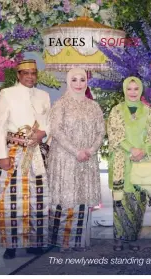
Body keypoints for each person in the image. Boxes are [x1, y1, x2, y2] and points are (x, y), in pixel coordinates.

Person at [0, 60, 51, 259]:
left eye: (33, 73)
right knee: (11, 199)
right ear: (18, 75)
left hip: (36, 154)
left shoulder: (43, 95)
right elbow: (0, 126)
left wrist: (43, 132)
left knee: (38, 198)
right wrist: (2, 157)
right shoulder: (7, 94)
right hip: (14, 152)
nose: (29, 76)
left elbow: (48, 122)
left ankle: (35, 243)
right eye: (25, 73)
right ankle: (11, 244)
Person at [47, 68, 105, 252]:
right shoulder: (60, 104)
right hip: (65, 159)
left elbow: (101, 131)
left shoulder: (93, 106)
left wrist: (90, 150)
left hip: (86, 159)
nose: (79, 84)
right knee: (67, 199)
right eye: (74, 80)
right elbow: (56, 131)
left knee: (82, 199)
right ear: (68, 81)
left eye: (82, 80)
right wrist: (75, 151)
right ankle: (64, 241)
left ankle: (79, 241)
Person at [107, 76, 151, 251]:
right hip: (122, 162)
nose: (132, 92)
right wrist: (131, 149)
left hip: (141, 163)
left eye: (136, 89)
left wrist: (143, 150)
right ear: (124, 90)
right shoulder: (116, 111)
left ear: (140, 90)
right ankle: (119, 238)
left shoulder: (148, 111)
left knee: (138, 201)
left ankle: (133, 238)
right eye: (129, 89)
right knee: (120, 199)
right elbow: (114, 134)